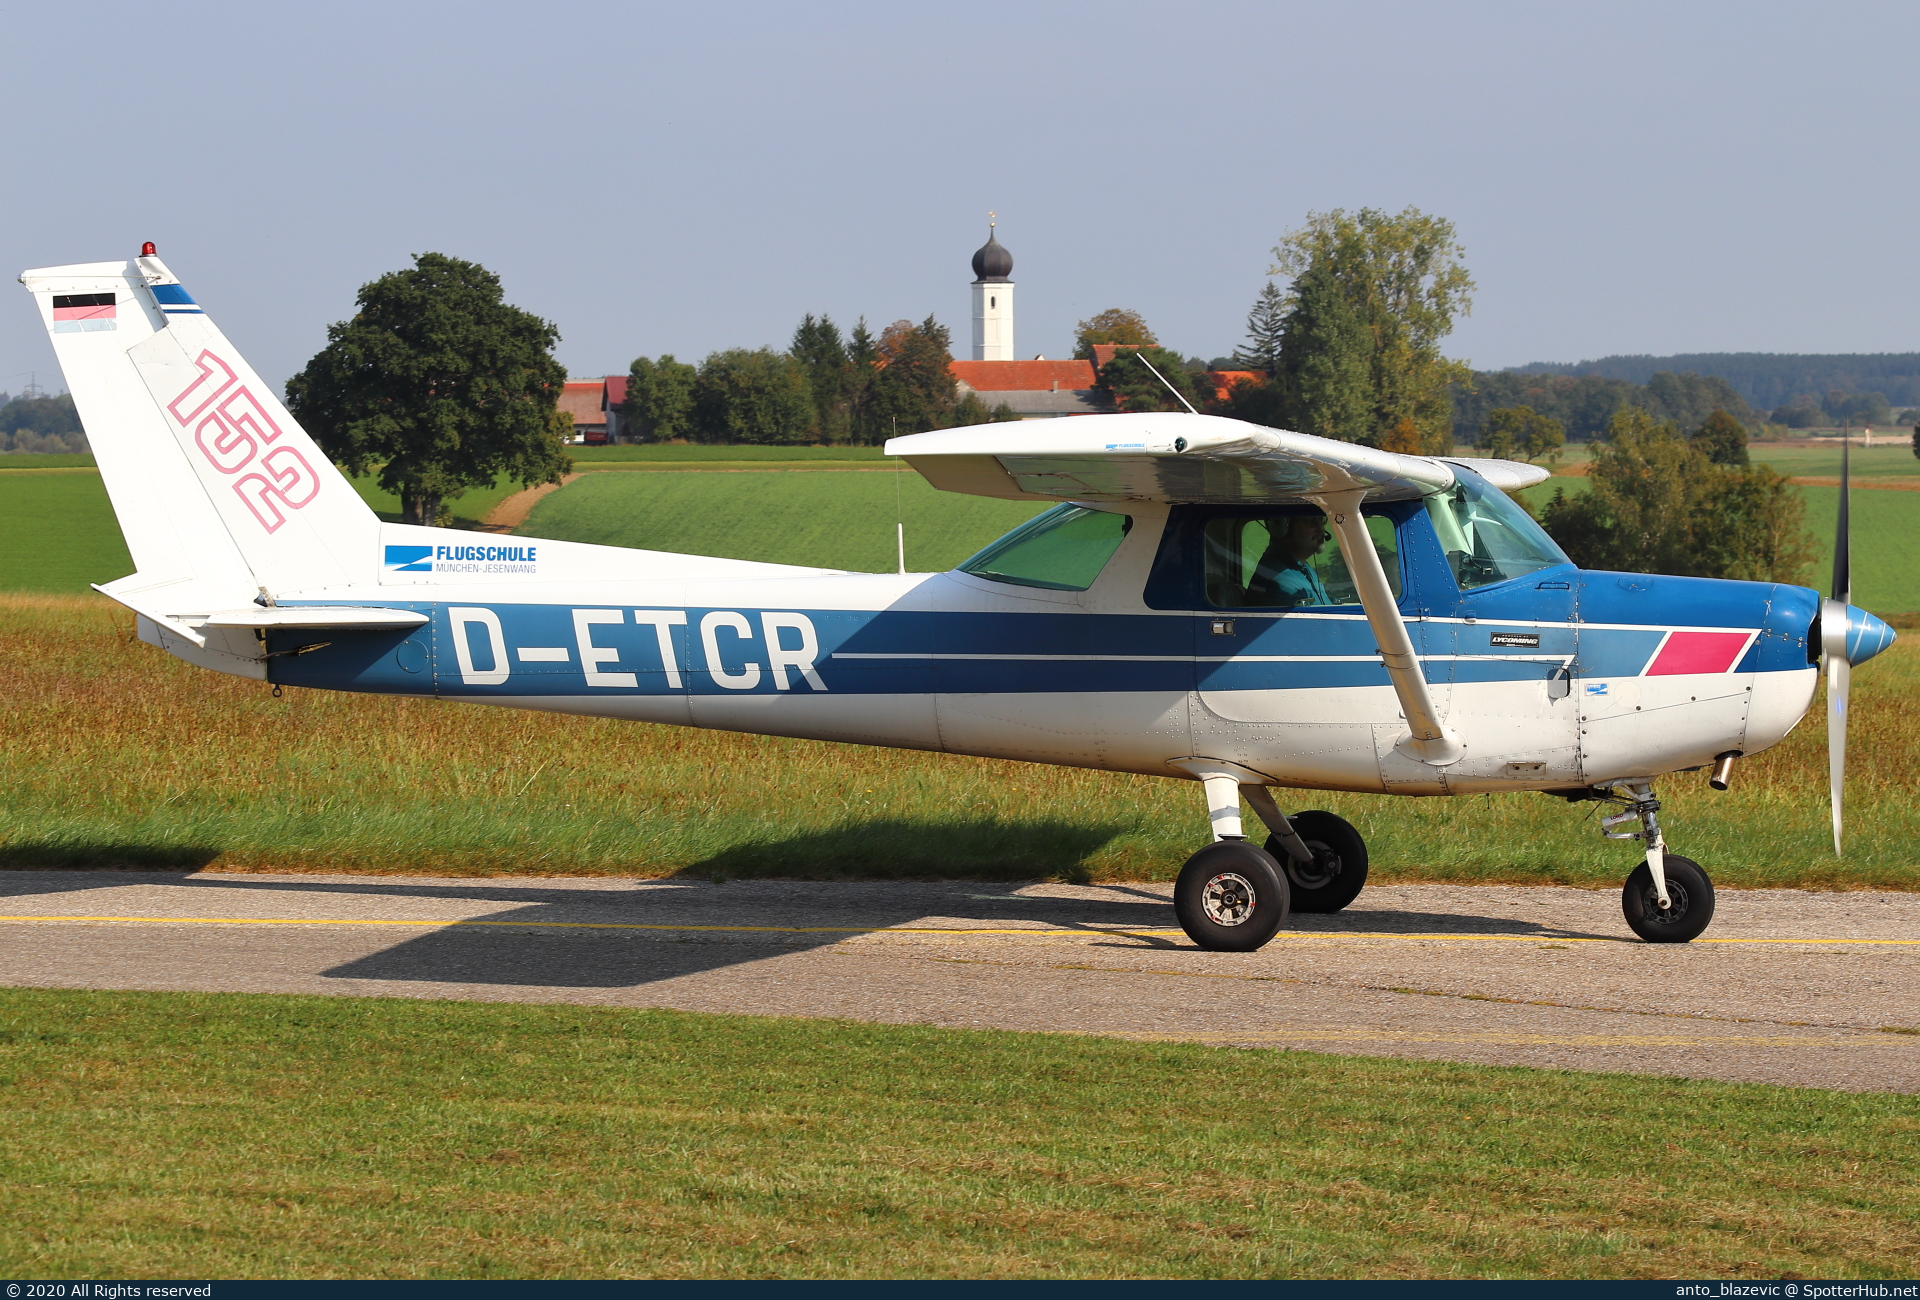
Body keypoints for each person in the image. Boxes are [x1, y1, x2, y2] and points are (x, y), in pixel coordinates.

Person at [1246, 514, 1332, 607]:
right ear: (1281, 526)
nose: (1321, 529)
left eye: (1322, 520)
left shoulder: (1302, 568)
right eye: (1312, 521)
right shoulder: (1284, 583)